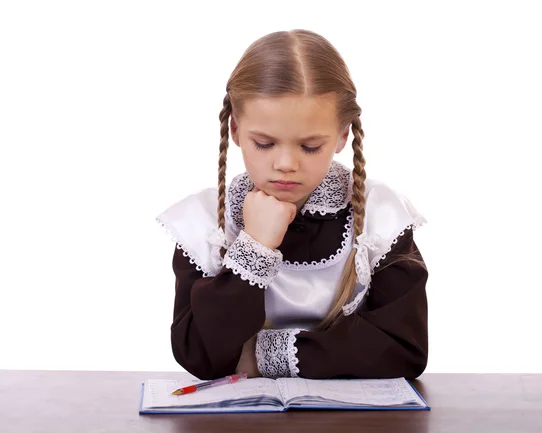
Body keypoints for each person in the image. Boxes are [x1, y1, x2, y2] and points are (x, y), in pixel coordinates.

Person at [156, 29, 429, 381]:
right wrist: (254, 246)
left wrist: (260, 356)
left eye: (310, 146)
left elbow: (404, 350)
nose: (286, 163)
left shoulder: (381, 219)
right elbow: (200, 355)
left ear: (343, 136)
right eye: (265, 143)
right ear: (236, 130)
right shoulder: (204, 224)